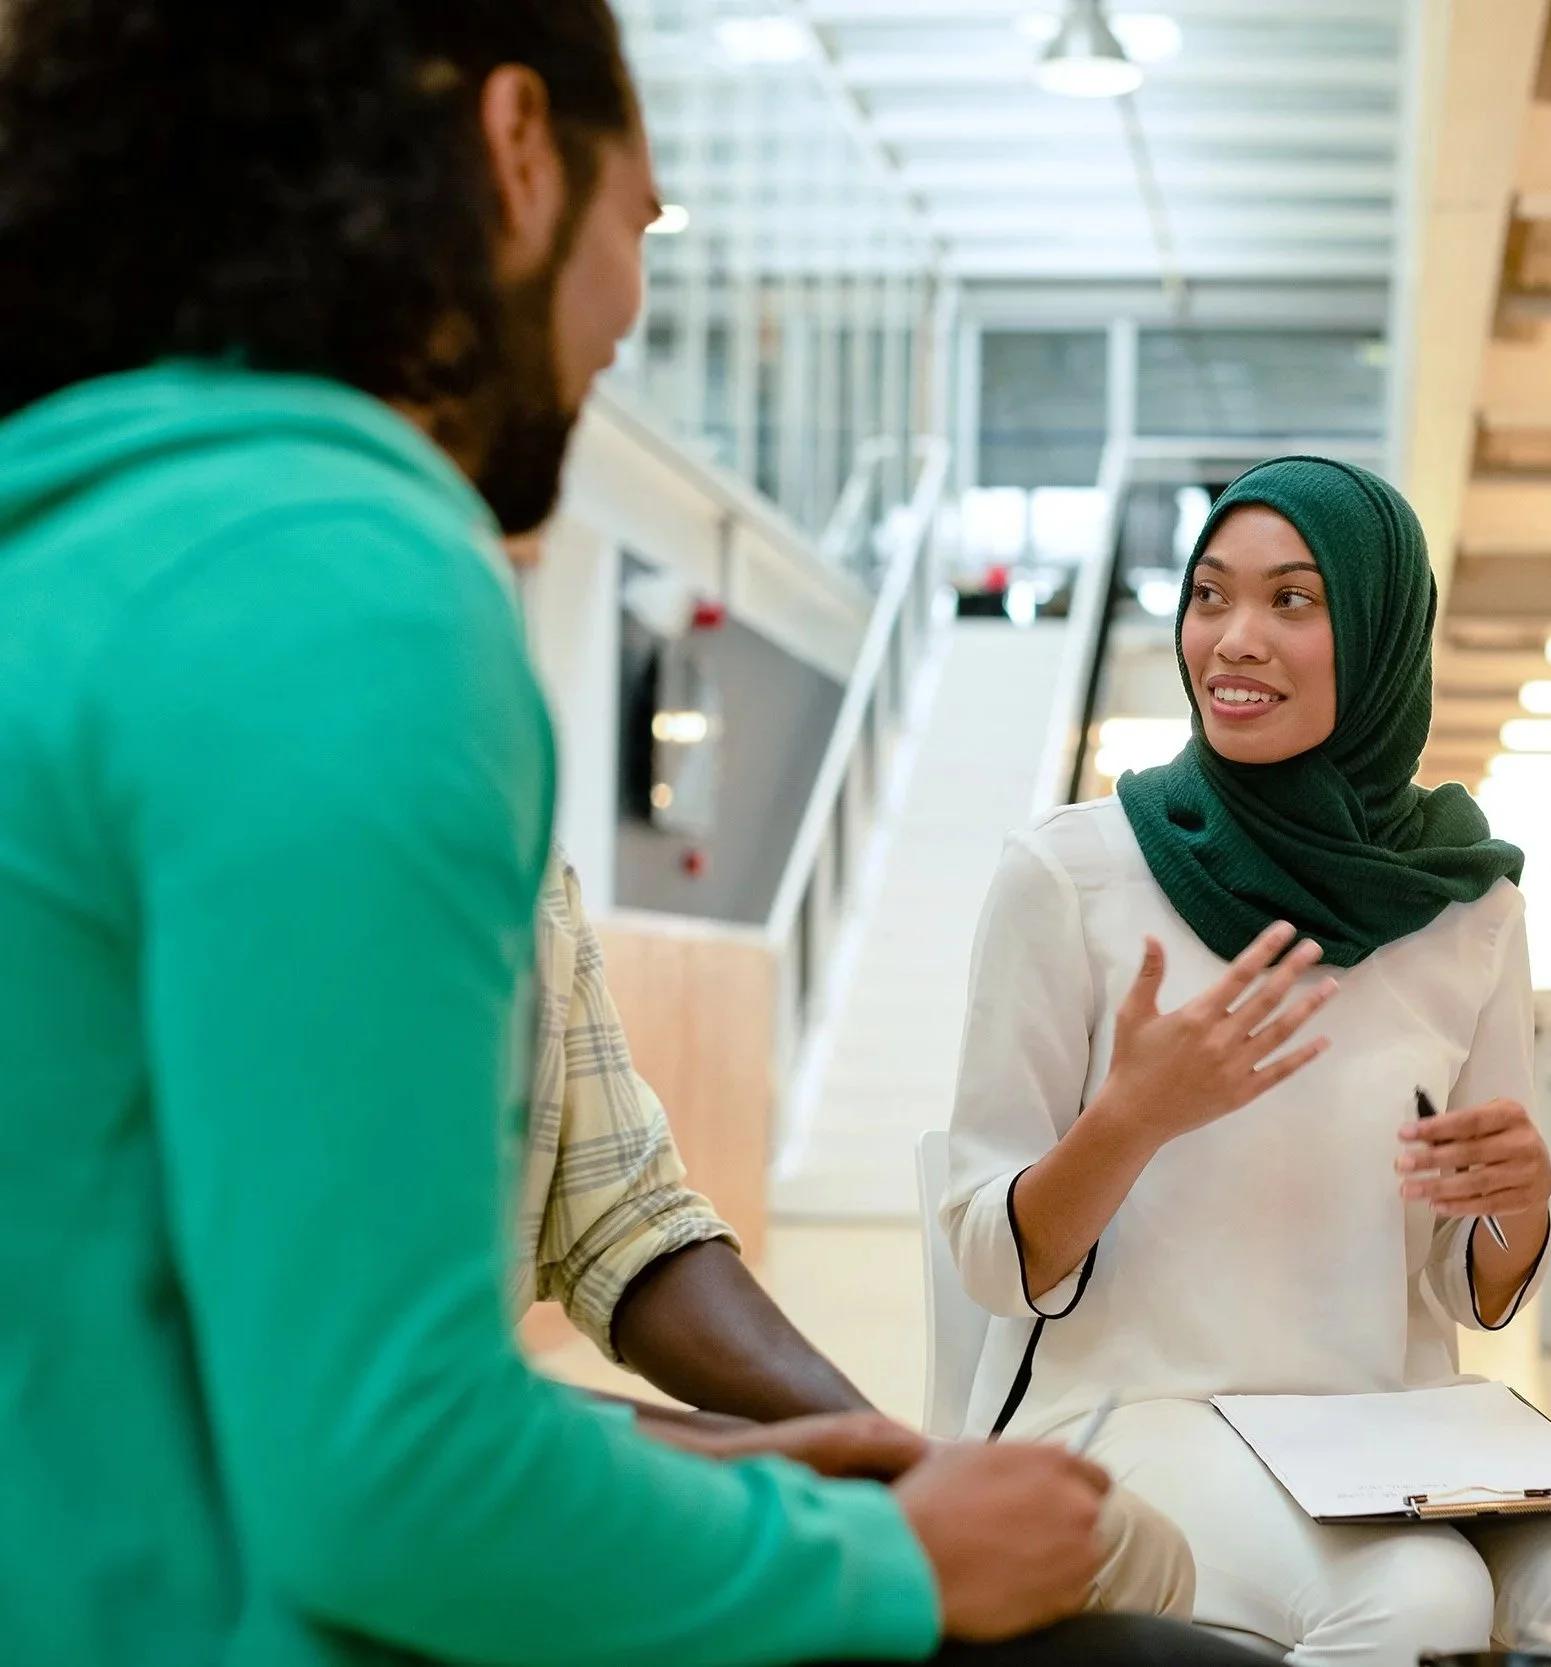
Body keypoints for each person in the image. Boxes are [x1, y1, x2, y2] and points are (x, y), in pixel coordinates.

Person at [0, 4, 1260, 1663]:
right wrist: (888, 1561)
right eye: (640, 220)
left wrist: (792, 1462)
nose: (631, 309)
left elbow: (226, 1393)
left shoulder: (84, 557)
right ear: (517, 152)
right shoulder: (340, 589)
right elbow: (391, 1482)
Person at [944, 457, 1551, 1666]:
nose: (1234, 638)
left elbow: (1463, 1284)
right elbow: (985, 1252)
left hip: (1389, 1424)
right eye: (1211, 595)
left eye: (1292, 601)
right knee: (1416, 1598)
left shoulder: (1466, 906)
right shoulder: (1071, 873)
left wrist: (1518, 1206)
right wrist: (1130, 1118)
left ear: (1379, 632)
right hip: (1133, 1409)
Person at [520, 846, 1194, 1614]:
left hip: (508, 1443)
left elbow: (619, 1225)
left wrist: (875, 1445)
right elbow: (391, 1416)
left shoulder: (532, 866)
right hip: (438, 1492)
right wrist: (761, 1459)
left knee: (1126, 1541)